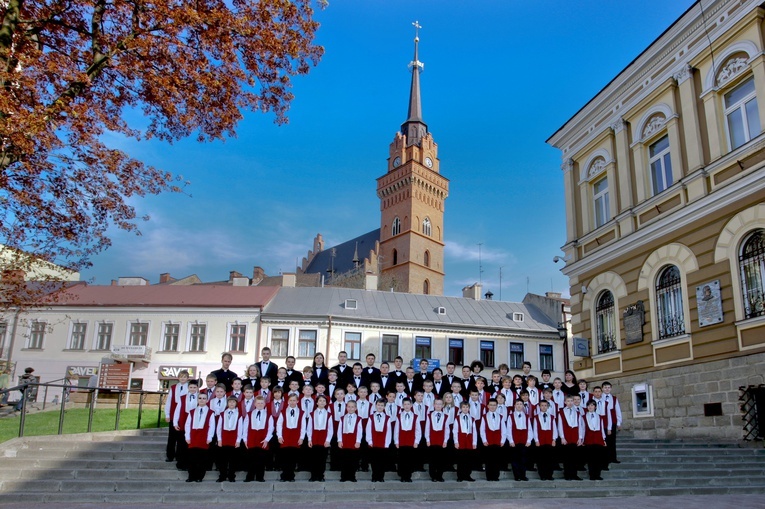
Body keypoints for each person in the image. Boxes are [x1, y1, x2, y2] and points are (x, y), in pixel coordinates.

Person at [184, 392, 215, 482]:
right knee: (192, 458)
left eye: (204, 398)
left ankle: (199, 476)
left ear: (207, 400)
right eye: (200, 398)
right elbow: (187, 424)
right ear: (197, 400)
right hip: (193, 437)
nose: (202, 400)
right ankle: (191, 476)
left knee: (202, 459)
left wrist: (209, 437)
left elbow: (211, 426)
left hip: (203, 437)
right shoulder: (192, 412)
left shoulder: (210, 412)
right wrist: (187, 436)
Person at [241, 396, 273, 482]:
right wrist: (245, 439)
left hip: (262, 439)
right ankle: (249, 477)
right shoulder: (249, 414)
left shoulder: (268, 415)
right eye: (258, 403)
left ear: (265, 404)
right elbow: (245, 427)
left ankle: (260, 477)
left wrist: (267, 439)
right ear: (255, 404)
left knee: (261, 459)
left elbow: (270, 428)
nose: (260, 404)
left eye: (262, 403)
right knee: (251, 459)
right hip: (251, 439)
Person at [276, 394, 306, 482]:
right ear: (288, 401)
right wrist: (279, 436)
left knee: (293, 457)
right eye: (291, 400)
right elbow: (279, 424)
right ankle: (284, 476)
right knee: (285, 457)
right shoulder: (283, 411)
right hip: (285, 436)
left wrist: (301, 437)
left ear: (297, 401)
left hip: (295, 436)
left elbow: (303, 426)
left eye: (294, 400)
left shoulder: (301, 412)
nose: (292, 402)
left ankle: (291, 476)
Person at [164, 370, 190, 463]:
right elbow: (169, 401)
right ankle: (170, 455)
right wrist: (167, 414)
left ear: (187, 378)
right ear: (178, 378)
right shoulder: (173, 387)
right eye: (181, 377)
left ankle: (180, 456)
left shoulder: (190, 387)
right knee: (172, 437)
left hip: (184, 415)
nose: (182, 378)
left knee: (182, 437)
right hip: (173, 412)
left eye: (184, 377)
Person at [215, 396, 241, 482]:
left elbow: (240, 428)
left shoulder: (239, 414)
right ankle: (222, 476)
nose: (231, 403)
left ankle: (231, 476)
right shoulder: (223, 414)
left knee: (233, 460)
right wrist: (219, 439)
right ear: (227, 403)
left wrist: (238, 440)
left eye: (233, 402)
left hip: (233, 439)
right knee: (223, 460)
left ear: (236, 403)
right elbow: (219, 427)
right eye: (230, 402)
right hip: (224, 439)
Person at [307, 394, 332, 482]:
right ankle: (313, 476)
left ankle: (321, 475)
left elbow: (330, 429)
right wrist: (309, 439)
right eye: (320, 401)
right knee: (313, 459)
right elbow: (309, 428)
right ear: (317, 402)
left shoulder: (329, 415)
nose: (322, 402)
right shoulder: (312, 413)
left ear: (326, 403)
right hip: (314, 438)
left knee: (322, 459)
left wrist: (328, 440)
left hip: (323, 438)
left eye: (324, 401)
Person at [583, 399, 609, 480]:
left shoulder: (599, 417)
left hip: (598, 438)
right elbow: (582, 428)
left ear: (595, 407)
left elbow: (601, 429)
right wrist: (582, 439)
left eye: (592, 405)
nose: (590, 407)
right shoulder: (583, 417)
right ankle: (592, 475)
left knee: (598, 458)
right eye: (589, 405)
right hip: (589, 438)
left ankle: (597, 474)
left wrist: (604, 439)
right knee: (591, 458)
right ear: (587, 407)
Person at [394, 398, 419, 483]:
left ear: (411, 405)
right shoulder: (399, 416)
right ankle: (402, 476)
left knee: (410, 459)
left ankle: (408, 476)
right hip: (402, 441)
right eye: (405, 404)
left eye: (408, 404)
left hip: (411, 441)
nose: (407, 406)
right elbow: (396, 430)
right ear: (402, 406)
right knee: (402, 460)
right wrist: (396, 441)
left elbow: (418, 430)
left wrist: (416, 441)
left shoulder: (415, 416)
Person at [480, 399, 506, 481]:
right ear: (487, 406)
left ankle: (495, 476)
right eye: (491, 405)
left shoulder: (500, 416)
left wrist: (502, 441)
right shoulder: (484, 417)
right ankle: (489, 476)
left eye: (494, 405)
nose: (492, 407)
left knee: (496, 460)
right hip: (488, 442)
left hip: (497, 442)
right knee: (489, 460)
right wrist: (484, 440)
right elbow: (482, 430)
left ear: (497, 406)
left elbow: (504, 430)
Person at [367, 399, 392, 482]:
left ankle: (381, 477)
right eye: (378, 405)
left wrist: (387, 443)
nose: (380, 407)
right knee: (374, 461)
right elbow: (368, 430)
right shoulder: (371, 417)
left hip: (383, 442)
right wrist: (370, 441)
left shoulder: (387, 418)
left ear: (384, 407)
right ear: (375, 406)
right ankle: (374, 476)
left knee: (382, 461)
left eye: (382, 405)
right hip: (374, 442)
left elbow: (389, 431)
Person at [337, 400, 363, 482]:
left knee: (353, 460)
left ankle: (352, 476)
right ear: (346, 407)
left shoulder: (359, 419)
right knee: (344, 460)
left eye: (352, 407)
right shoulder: (342, 418)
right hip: (345, 440)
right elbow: (339, 430)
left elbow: (359, 431)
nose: (350, 408)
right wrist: (339, 440)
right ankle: (344, 476)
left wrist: (358, 441)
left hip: (353, 441)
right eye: (349, 406)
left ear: (355, 408)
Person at [533, 399, 558, 481]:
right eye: (542, 405)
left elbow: (554, 428)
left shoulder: (551, 417)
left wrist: (554, 439)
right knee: (541, 459)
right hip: (540, 440)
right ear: (539, 406)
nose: (544, 407)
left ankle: (549, 475)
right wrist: (536, 440)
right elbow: (535, 429)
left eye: (545, 406)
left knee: (550, 459)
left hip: (549, 440)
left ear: (548, 406)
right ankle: (542, 475)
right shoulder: (536, 417)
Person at [508, 399, 532, 481]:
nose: (519, 406)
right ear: (514, 405)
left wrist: (529, 440)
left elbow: (529, 429)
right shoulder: (511, 416)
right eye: (517, 404)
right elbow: (509, 429)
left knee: (523, 459)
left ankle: (523, 475)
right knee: (515, 460)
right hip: (514, 441)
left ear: (523, 406)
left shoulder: (527, 416)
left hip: (524, 441)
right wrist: (511, 440)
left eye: (520, 404)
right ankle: (517, 476)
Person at [453, 401, 477, 482]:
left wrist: (474, 442)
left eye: (467, 407)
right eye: (463, 407)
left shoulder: (472, 418)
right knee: (461, 459)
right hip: (461, 440)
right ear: (460, 408)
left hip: (469, 440)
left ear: (469, 408)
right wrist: (456, 441)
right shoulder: (457, 418)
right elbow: (455, 431)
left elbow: (474, 431)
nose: (465, 409)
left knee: (468, 459)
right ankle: (460, 476)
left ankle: (467, 475)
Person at [602, 381, 622, 467]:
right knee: (604, 440)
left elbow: (618, 411)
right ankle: (605, 458)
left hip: (612, 421)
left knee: (612, 441)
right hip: (603, 422)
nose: (607, 389)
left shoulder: (614, 398)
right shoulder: (600, 397)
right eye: (605, 387)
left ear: (611, 388)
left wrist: (619, 422)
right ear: (602, 388)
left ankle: (613, 457)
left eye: (608, 387)